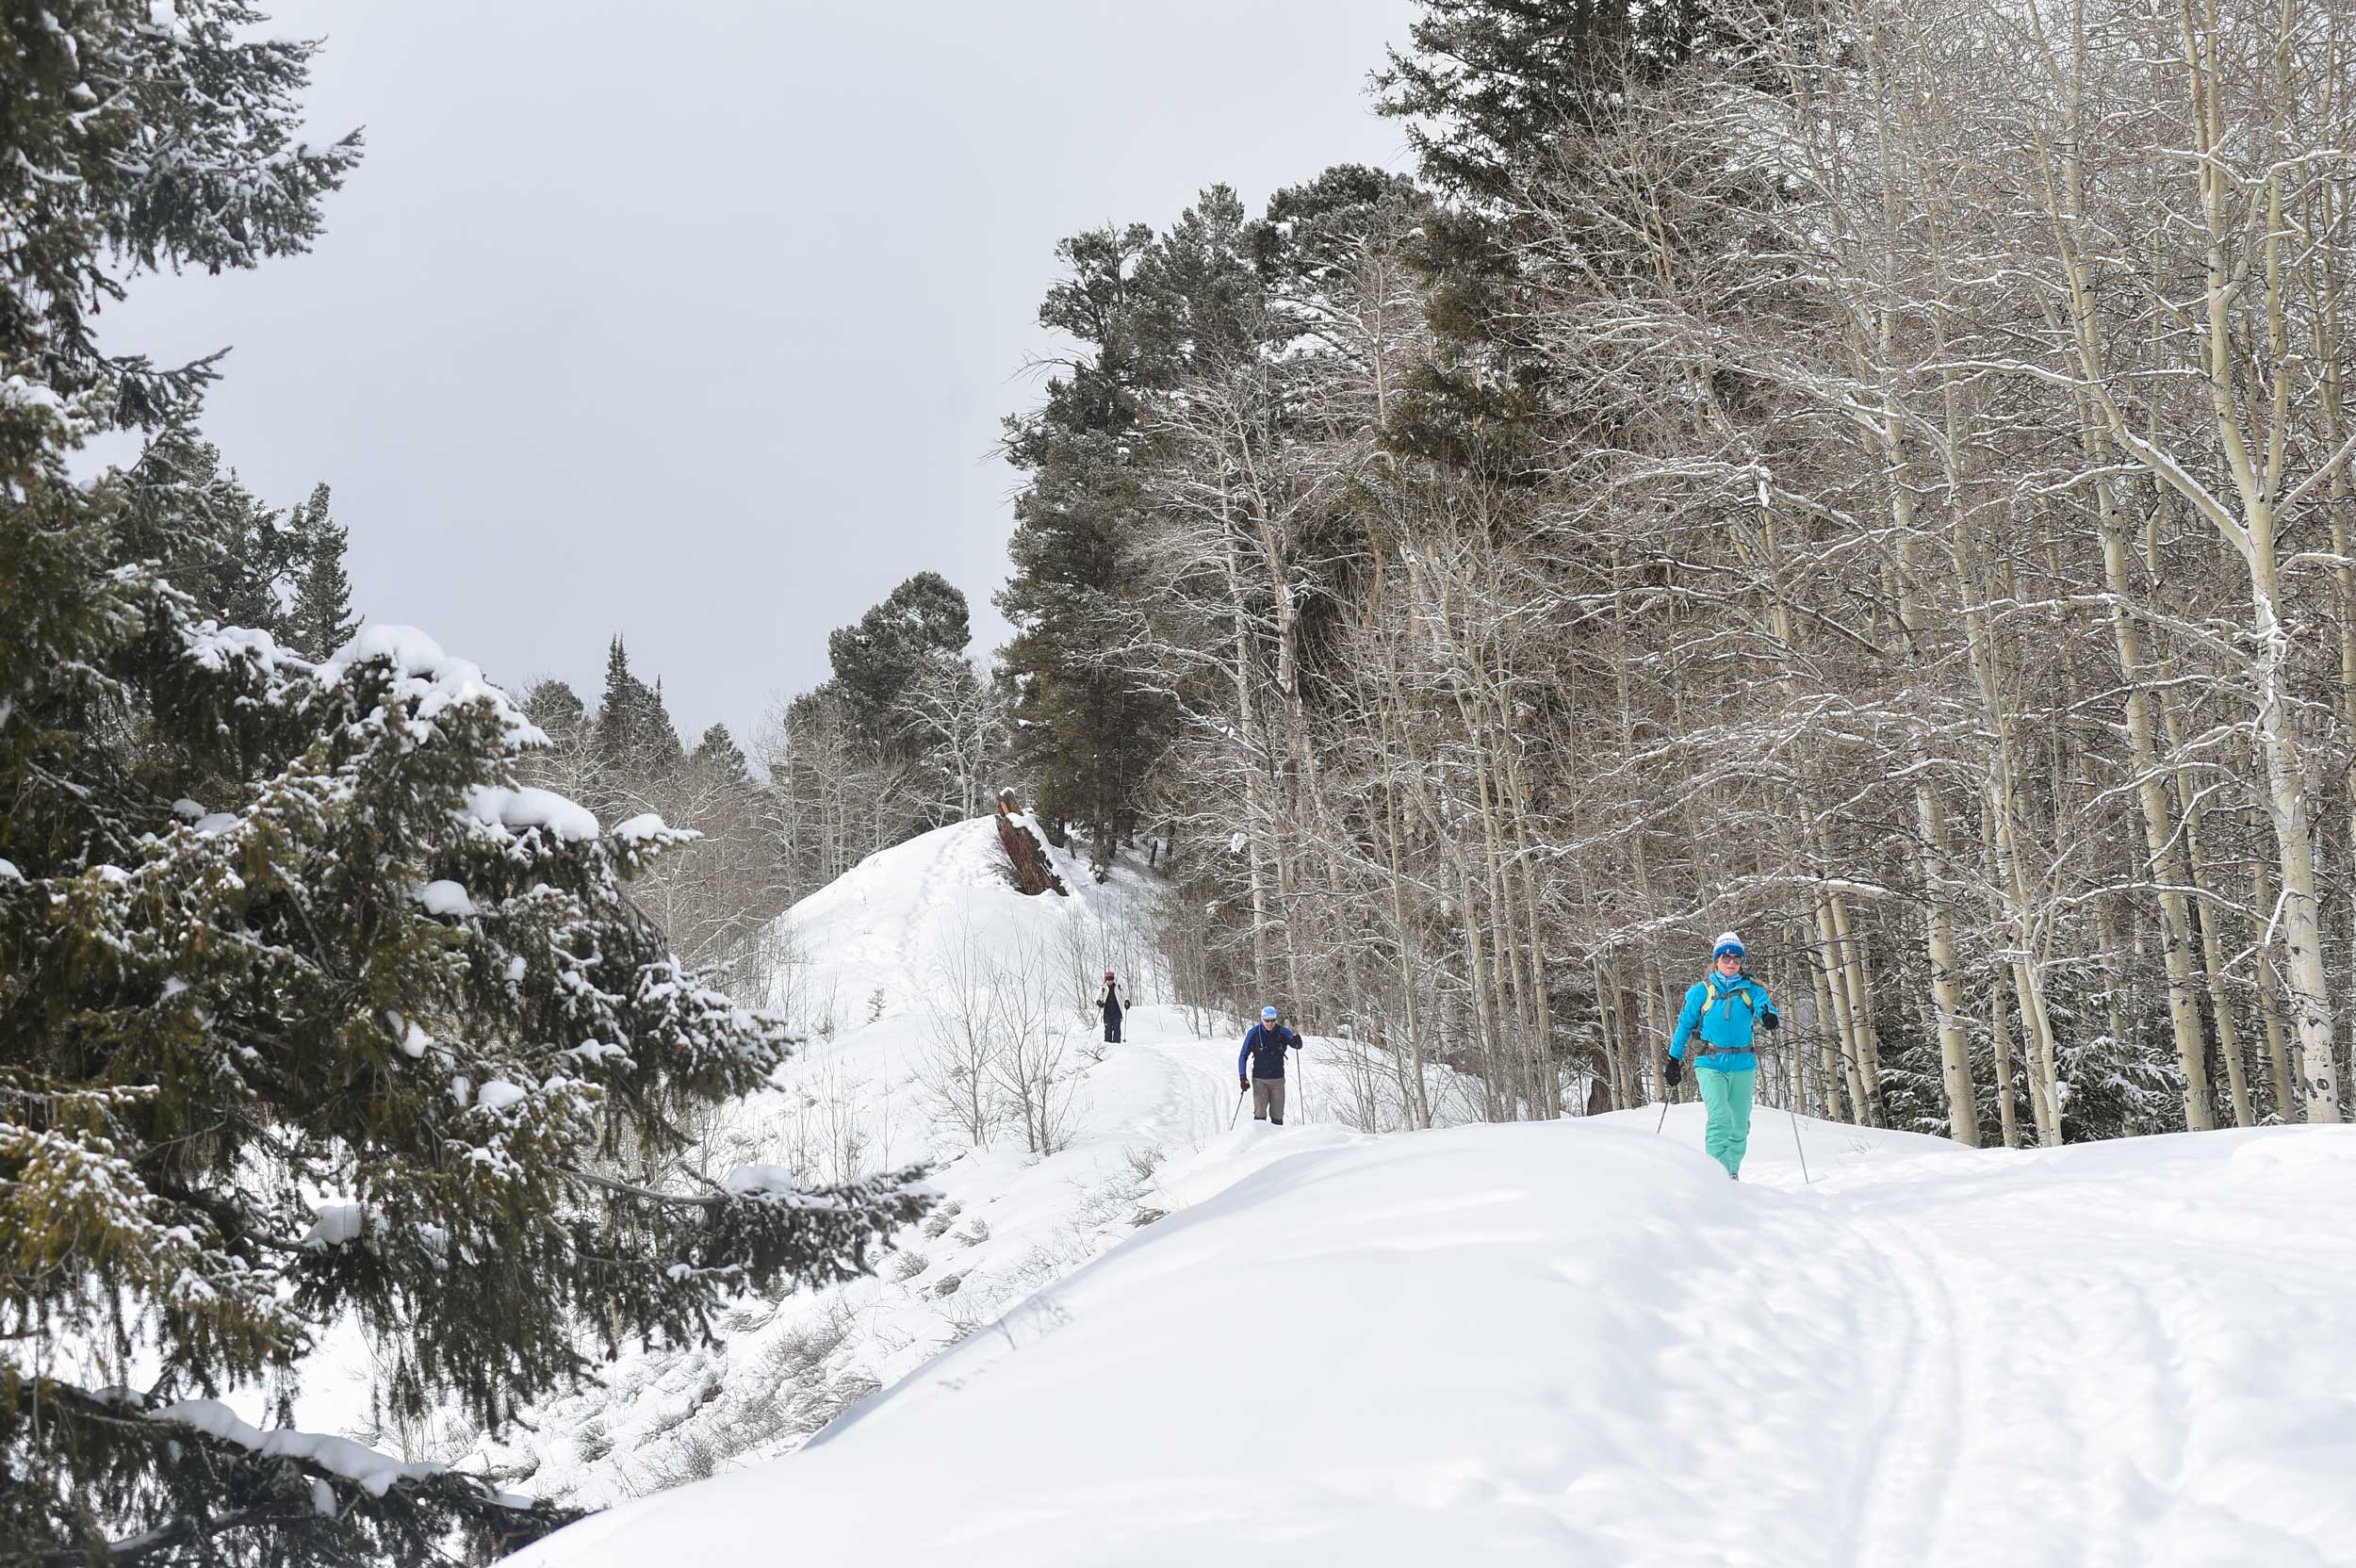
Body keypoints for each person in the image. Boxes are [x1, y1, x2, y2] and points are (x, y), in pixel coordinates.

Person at [1665, 932, 1779, 1179]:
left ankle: (1732, 1173)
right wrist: (1673, 1060)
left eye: (1737, 959)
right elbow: (1685, 1025)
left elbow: (1765, 1007)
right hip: (1710, 1062)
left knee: (1739, 1124)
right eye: (1726, 957)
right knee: (1720, 1117)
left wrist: (1769, 1017)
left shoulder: (1751, 989)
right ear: (1717, 959)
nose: (1731, 963)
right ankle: (1716, 1177)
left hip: (1743, 1064)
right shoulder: (1700, 992)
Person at [1237, 1005, 1300, 1125]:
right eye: (1267, 1020)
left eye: (1273, 1020)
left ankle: (1276, 1143)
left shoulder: (1282, 1031)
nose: (1270, 1023)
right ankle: (1260, 1141)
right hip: (1260, 1079)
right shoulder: (1254, 1033)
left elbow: (1295, 1044)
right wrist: (1242, 1077)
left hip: (1277, 1080)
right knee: (1260, 1114)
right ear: (1262, 1019)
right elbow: (1243, 1055)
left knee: (1277, 1116)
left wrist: (1297, 1041)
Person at [1099, 972, 1126, 1044]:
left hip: (1117, 1012)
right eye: (1108, 979)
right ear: (1106, 980)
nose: (1110, 981)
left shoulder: (1118, 987)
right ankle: (1107, 1048)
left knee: (1117, 1031)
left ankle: (1117, 1049)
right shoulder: (1103, 988)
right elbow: (1097, 998)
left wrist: (1127, 1002)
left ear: (1113, 979)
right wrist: (1099, 1003)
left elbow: (1125, 997)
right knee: (1108, 1031)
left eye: (1111, 979)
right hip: (1106, 1013)